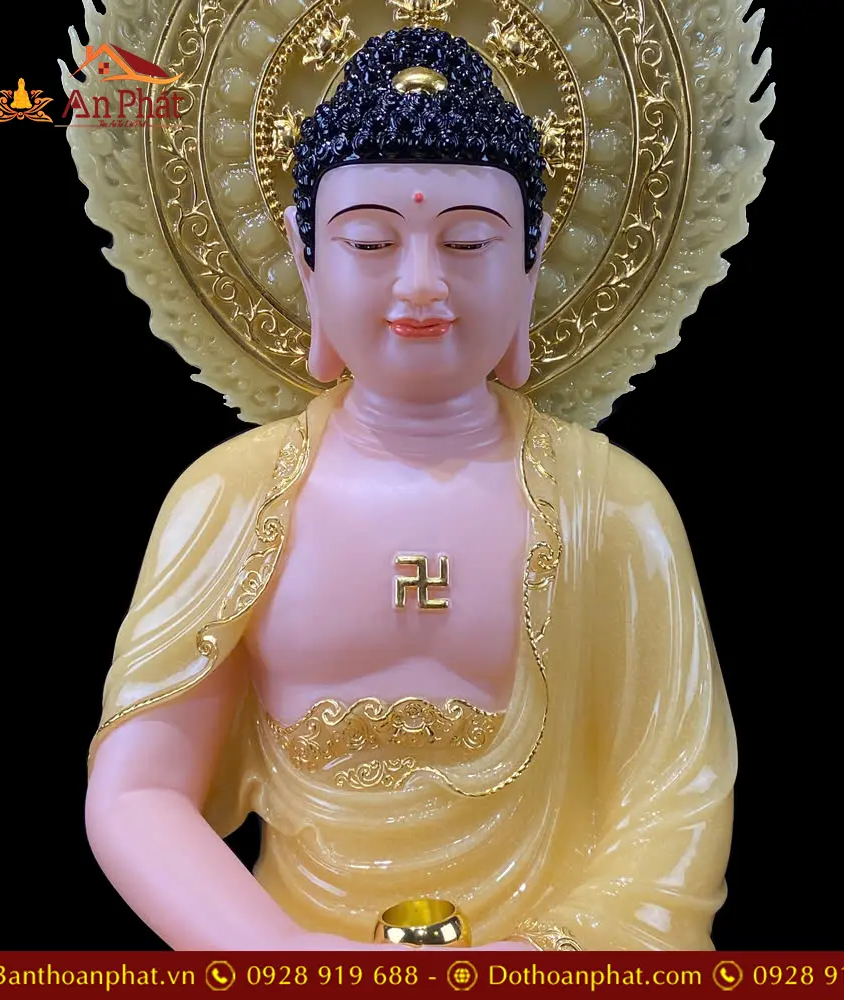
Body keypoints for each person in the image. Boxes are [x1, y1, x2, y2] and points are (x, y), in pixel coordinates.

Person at [85, 26, 736, 952]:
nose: (422, 285)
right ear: (306, 258)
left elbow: (677, 800)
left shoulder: (619, 511)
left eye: (468, 242)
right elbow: (139, 789)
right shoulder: (228, 499)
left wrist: (532, 963)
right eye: (370, 241)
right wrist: (283, 959)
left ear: (531, 258)